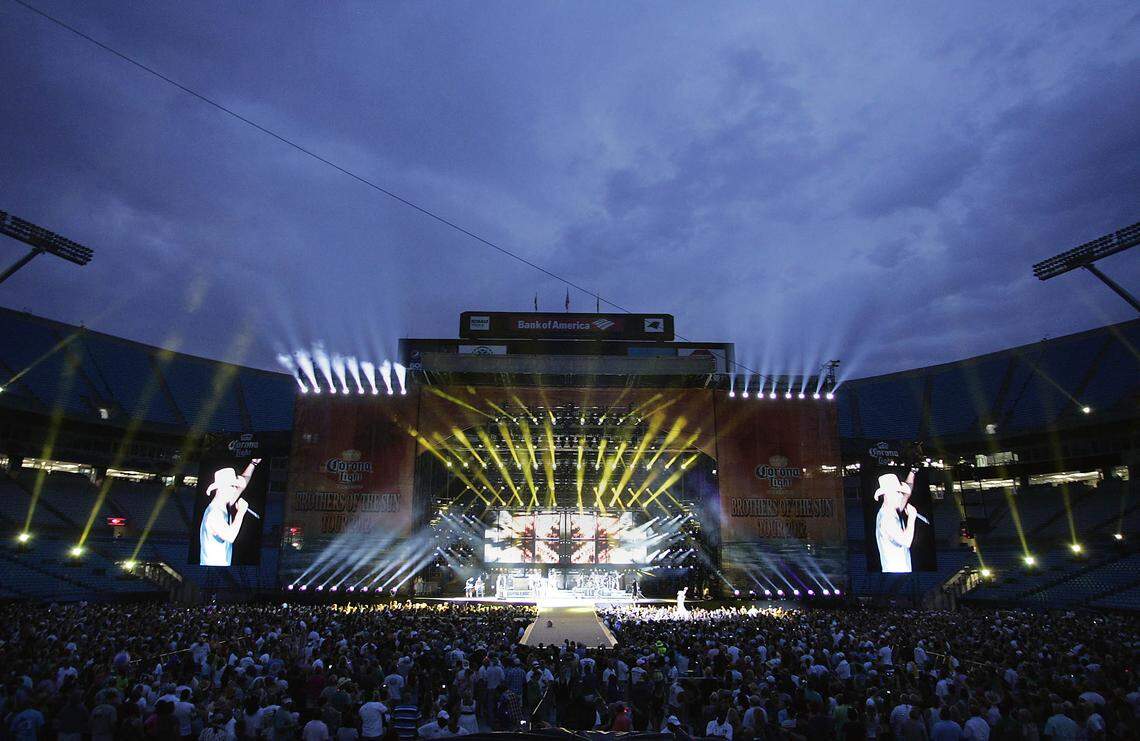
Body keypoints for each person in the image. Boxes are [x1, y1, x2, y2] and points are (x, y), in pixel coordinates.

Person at [199, 458, 260, 566]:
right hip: (212, 570)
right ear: (221, 488)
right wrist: (241, 512)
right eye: (232, 486)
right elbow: (230, 536)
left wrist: (253, 463)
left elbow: (243, 483)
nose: (235, 489)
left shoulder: (225, 504)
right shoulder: (215, 513)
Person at [873, 469, 921, 573]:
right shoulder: (887, 518)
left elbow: (906, 495)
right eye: (898, 492)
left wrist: (912, 472)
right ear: (887, 494)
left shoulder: (890, 510)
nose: (900, 495)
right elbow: (906, 542)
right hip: (896, 572)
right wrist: (912, 517)